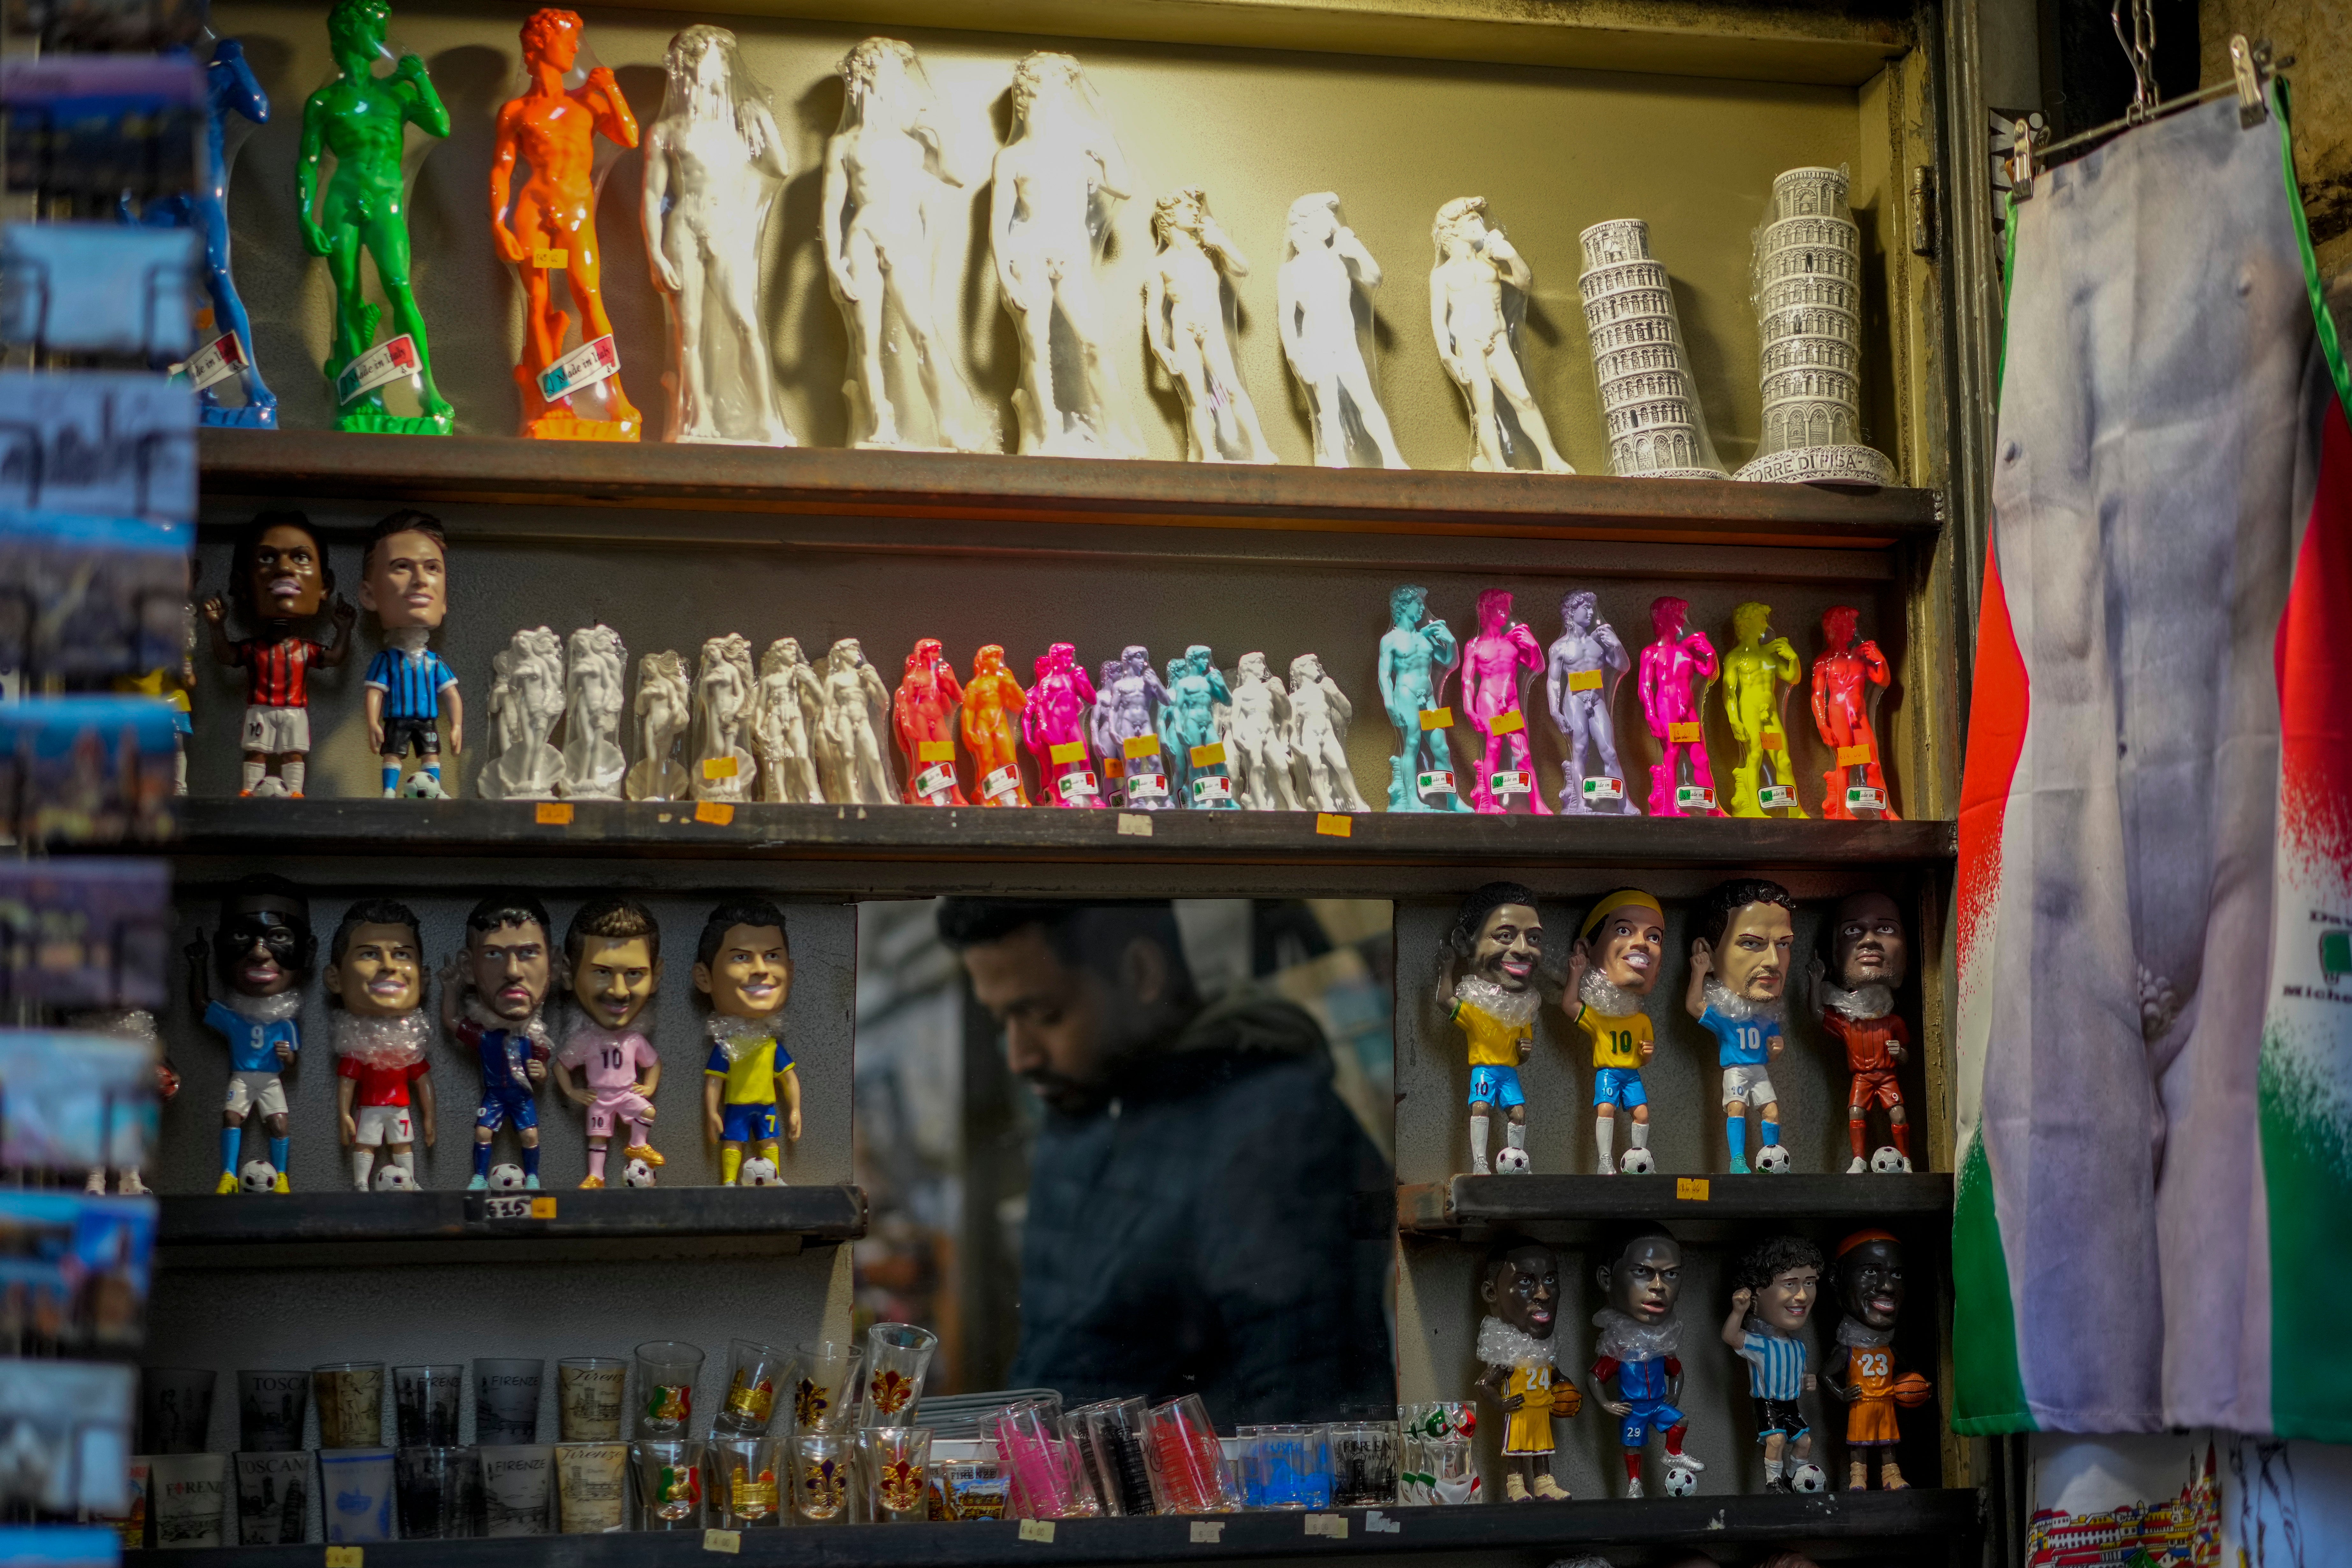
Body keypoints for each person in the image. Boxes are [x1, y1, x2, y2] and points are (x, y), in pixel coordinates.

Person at [938, 899, 1393, 1425]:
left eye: (1045, 1015)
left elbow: (1302, 1400)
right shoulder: (1083, 1114)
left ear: (1141, 974)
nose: (1020, 1056)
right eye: (1002, 1023)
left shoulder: (1272, 1124)